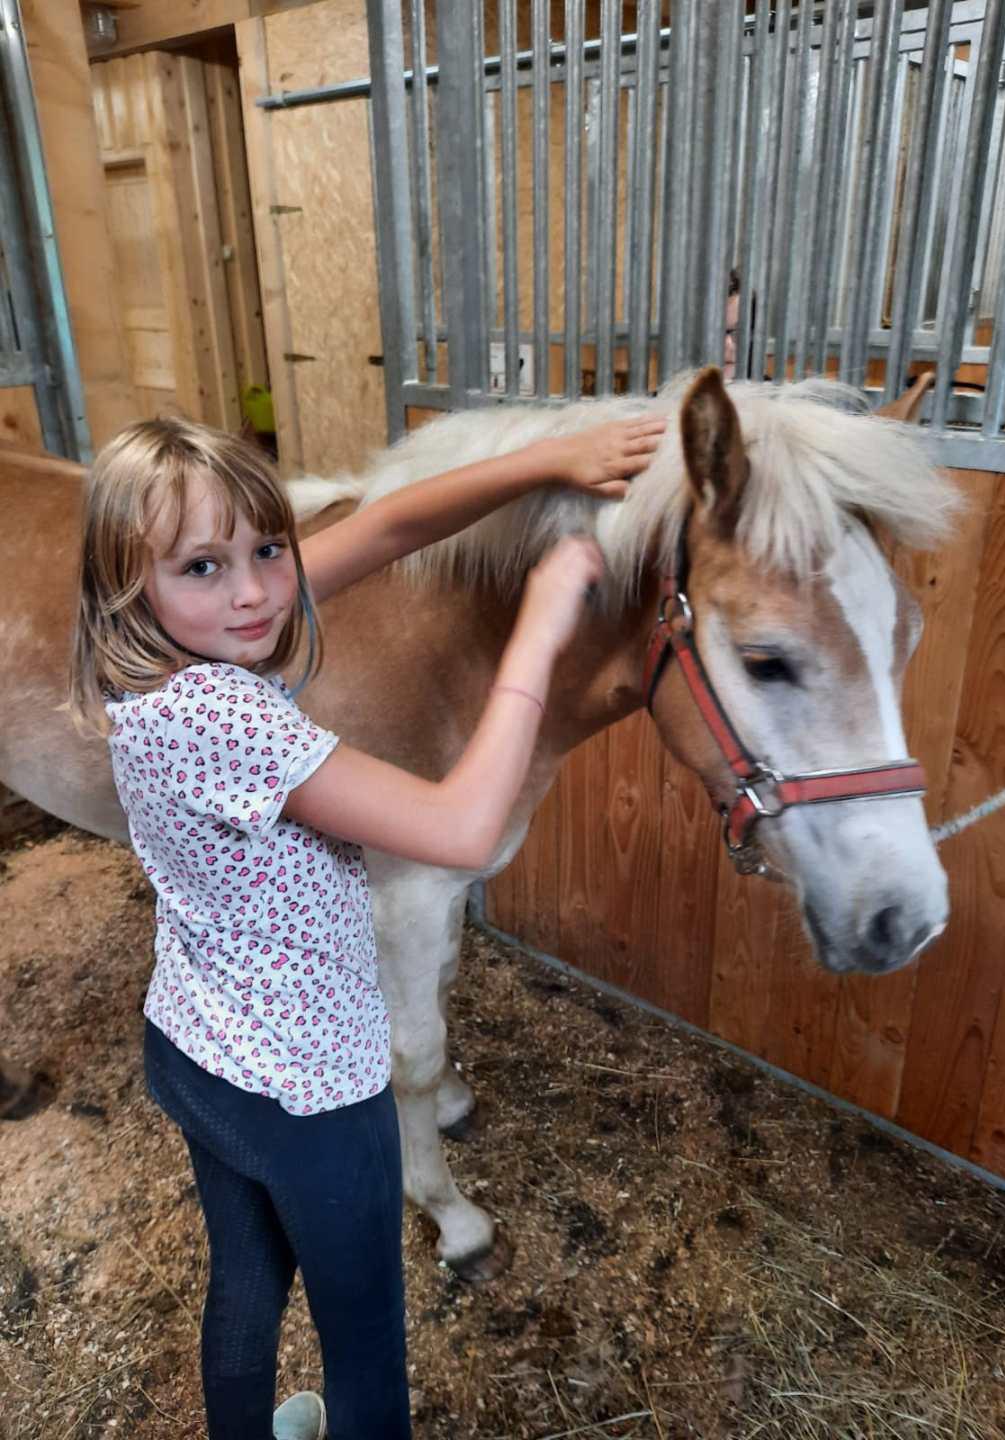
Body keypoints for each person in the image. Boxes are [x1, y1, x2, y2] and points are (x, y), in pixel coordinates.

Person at [67, 410, 663, 1440]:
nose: (253, 589)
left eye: (267, 548)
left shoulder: (156, 673)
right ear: (132, 585)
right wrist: (542, 623)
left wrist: (545, 462)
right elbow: (459, 827)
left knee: (247, 1288)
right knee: (367, 1349)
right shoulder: (229, 719)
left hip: (197, 1047)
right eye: (203, 567)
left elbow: (387, 531)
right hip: (310, 1094)